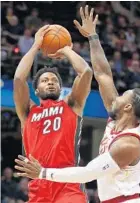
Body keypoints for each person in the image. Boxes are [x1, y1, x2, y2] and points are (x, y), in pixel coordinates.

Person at [15, 7, 140, 203]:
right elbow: (103, 75)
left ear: (128, 108)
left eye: (123, 96)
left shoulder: (129, 143)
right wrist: (92, 36)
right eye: (44, 80)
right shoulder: (114, 119)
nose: (116, 97)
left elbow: (89, 173)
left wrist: (43, 173)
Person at [13, 24, 93, 203]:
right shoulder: (28, 112)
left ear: (60, 87)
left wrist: (66, 50)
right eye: (44, 80)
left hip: (68, 184)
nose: (50, 82)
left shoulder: (71, 104)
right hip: (38, 187)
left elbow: (86, 72)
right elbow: (19, 79)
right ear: (36, 90)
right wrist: (35, 46)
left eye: (54, 80)